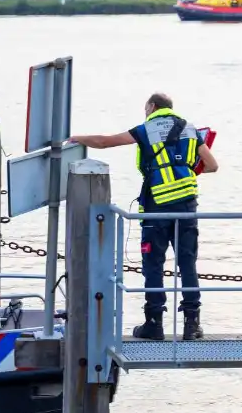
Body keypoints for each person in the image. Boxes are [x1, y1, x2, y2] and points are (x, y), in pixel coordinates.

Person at [69, 92, 219, 341]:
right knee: (187, 263)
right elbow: (212, 165)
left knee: (153, 264)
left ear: (151, 106)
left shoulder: (146, 129)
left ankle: (154, 323)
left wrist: (76, 138)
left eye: (145, 108)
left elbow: (106, 142)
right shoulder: (190, 129)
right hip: (186, 206)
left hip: (157, 206)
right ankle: (192, 325)